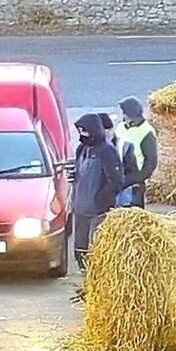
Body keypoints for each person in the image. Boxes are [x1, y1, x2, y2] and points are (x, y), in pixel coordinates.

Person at [71, 113, 123, 273]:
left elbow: (117, 181)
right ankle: (85, 279)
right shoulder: (82, 149)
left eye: (85, 131)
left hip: (98, 212)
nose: (82, 135)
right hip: (80, 210)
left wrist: (100, 200)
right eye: (80, 132)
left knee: (97, 253)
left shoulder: (107, 151)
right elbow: (80, 172)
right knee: (80, 251)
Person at [114, 96, 158, 207]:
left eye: (124, 113)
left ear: (130, 115)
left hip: (134, 186)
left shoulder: (146, 132)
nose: (122, 116)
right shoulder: (121, 128)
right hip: (119, 179)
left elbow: (150, 164)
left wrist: (130, 180)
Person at [98, 113, 138, 206]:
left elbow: (132, 172)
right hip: (102, 201)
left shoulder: (124, 146)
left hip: (122, 199)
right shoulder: (92, 147)